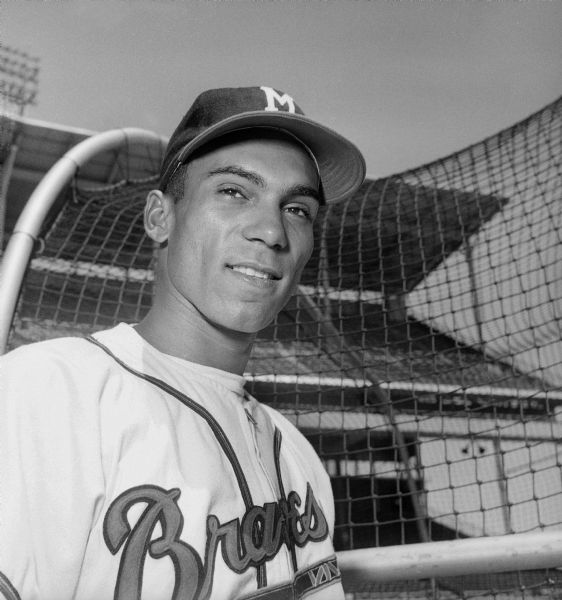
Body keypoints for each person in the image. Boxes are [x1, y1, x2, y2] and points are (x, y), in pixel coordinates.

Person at [0, 86, 365, 600]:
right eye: (234, 191)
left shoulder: (300, 460)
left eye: (298, 208)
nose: (271, 231)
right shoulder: (47, 393)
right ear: (159, 217)